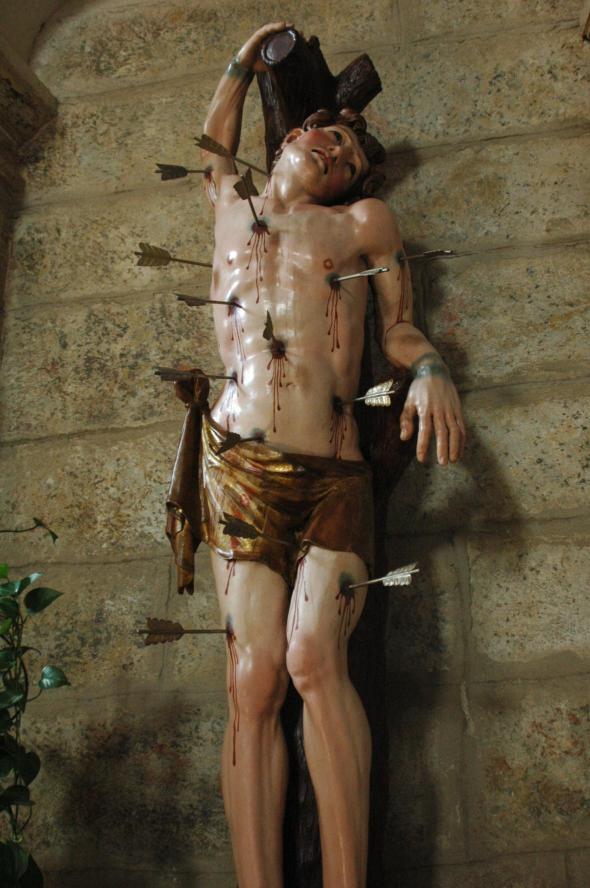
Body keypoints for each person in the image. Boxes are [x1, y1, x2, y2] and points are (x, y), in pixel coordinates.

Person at [197, 21, 466, 888]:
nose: (339, 154)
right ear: (293, 137)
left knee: (316, 656)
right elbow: (212, 148)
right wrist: (242, 61)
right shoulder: (231, 210)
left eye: (352, 154)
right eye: (331, 137)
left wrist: (430, 368)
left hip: (334, 471)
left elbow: (398, 327)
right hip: (240, 466)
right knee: (252, 678)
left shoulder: (361, 224)